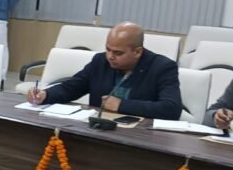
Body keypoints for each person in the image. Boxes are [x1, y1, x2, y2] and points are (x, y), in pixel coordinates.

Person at [27, 22, 182, 120]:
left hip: (139, 136)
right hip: (99, 130)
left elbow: (172, 109)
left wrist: (122, 105)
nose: (110, 56)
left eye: (118, 53)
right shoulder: (100, 61)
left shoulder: (162, 67)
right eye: (108, 49)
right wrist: (45, 95)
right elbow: (72, 87)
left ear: (137, 52)